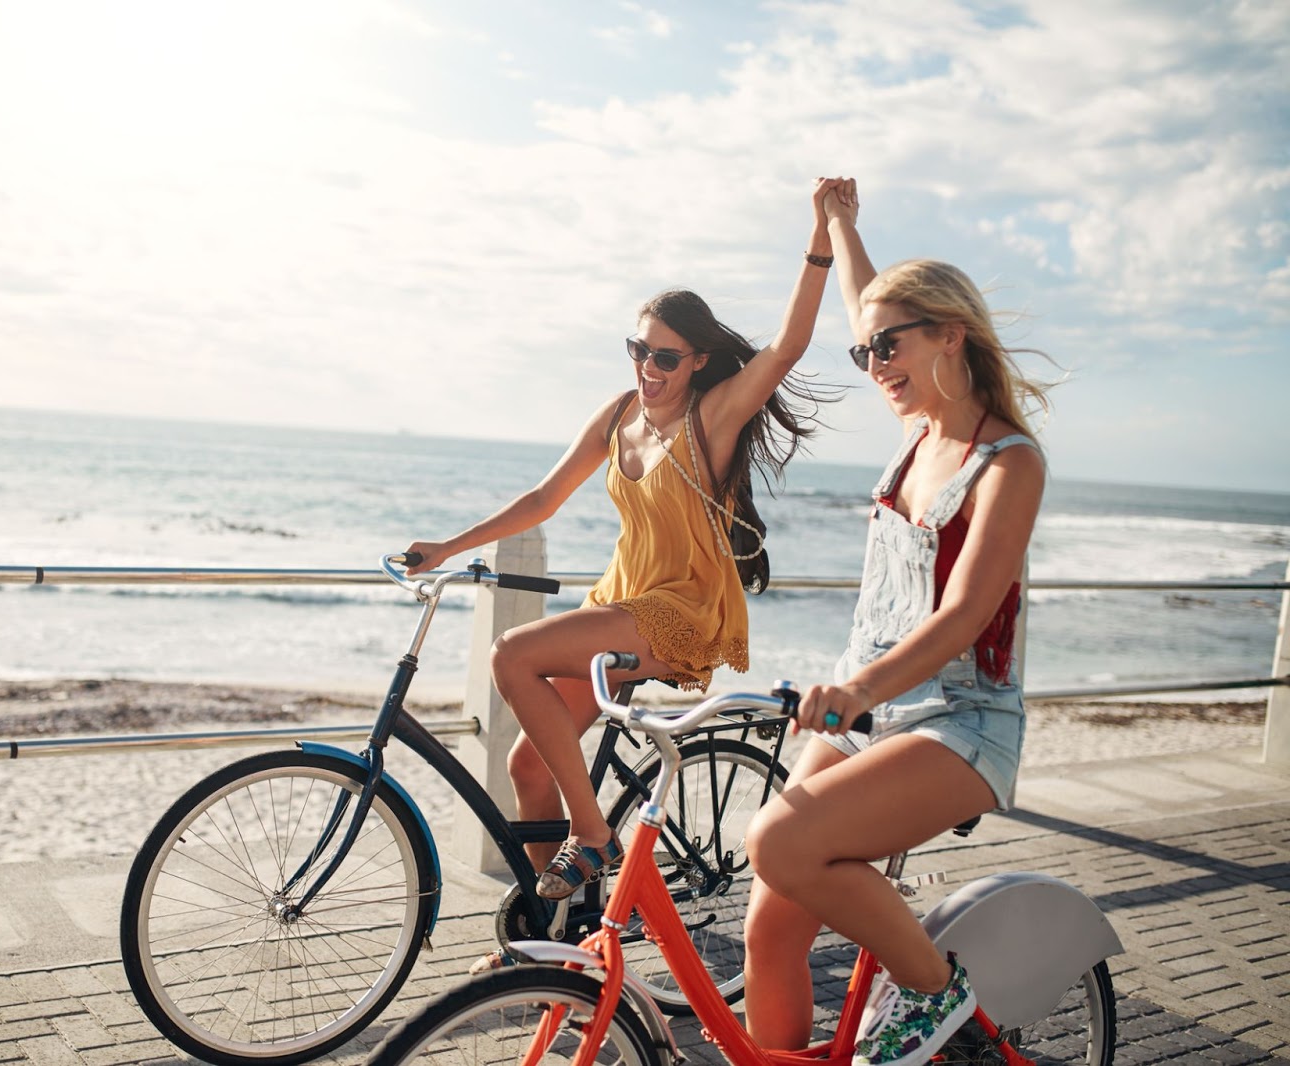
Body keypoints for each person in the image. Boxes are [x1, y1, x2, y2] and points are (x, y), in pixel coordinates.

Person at [406, 180, 843, 972]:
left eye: (665, 356)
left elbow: (786, 348)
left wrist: (822, 232)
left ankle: (595, 834)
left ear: (699, 361)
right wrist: (445, 546)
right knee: (526, 768)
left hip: (678, 612)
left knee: (513, 656)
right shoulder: (618, 416)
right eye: (637, 349)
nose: (648, 366)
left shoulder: (712, 419)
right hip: (619, 603)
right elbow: (543, 497)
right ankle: (559, 943)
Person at [741, 179, 1052, 1066]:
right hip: (870, 709)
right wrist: (839, 223)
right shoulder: (918, 429)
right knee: (770, 924)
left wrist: (859, 688)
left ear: (951, 334)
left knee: (778, 839)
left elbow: (965, 615)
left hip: (959, 723)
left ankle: (936, 991)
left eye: (890, 347)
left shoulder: (1008, 464)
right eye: (863, 352)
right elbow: (866, 303)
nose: (874, 364)